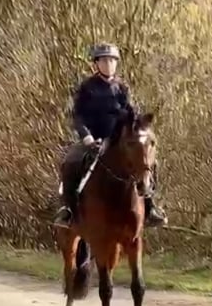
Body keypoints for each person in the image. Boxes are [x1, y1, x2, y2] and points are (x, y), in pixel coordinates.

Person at [53, 42, 168, 228]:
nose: (109, 64)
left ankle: (150, 206)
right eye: (104, 61)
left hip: (118, 139)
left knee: (149, 161)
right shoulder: (87, 87)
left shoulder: (122, 87)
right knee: (70, 161)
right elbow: (78, 116)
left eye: (112, 61)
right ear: (96, 63)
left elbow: (131, 113)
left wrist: (139, 125)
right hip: (93, 138)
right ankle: (68, 210)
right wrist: (87, 137)